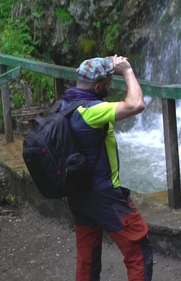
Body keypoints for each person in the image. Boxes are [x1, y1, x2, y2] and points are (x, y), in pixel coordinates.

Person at [62, 55, 153, 281]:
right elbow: (136, 104)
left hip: (78, 194)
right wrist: (127, 71)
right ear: (98, 86)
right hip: (104, 195)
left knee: (88, 258)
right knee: (138, 251)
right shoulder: (93, 111)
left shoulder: (66, 103)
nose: (110, 86)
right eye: (108, 82)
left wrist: (110, 61)